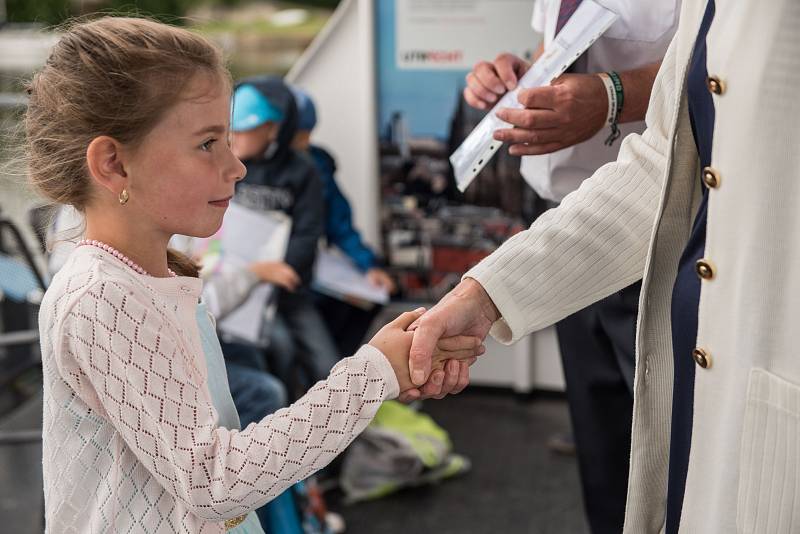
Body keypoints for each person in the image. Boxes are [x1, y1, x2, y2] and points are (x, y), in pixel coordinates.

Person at [27, 17, 481, 532]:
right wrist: (373, 374)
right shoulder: (103, 297)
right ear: (114, 164)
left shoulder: (155, 276)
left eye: (229, 137)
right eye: (208, 144)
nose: (236, 166)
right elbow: (213, 483)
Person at [410, 0, 800, 531]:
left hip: (688, 264)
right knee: (609, 458)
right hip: (578, 239)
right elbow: (660, 158)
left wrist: (613, 95)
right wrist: (484, 296)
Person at [462, 1, 678, 531]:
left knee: (667, 441)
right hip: (561, 215)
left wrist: (612, 97)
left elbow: (713, 69)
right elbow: (556, 54)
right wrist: (514, 79)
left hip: (651, 232)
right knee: (599, 438)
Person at [229, 77, 341, 392]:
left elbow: (308, 230)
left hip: (289, 290)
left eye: (242, 130)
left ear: (271, 129)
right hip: (239, 288)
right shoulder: (227, 167)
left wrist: (287, 270)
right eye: (230, 129)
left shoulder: (303, 171)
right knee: (279, 351)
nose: (232, 138)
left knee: (325, 364)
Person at [290, 86, 398, 357]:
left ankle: (339, 369)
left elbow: (339, 224)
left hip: (318, 270)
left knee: (368, 300)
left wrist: (368, 266)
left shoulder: (317, 164)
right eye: (296, 136)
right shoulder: (250, 168)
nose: (303, 142)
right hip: (284, 279)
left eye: (307, 135)